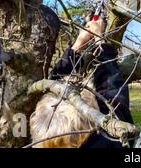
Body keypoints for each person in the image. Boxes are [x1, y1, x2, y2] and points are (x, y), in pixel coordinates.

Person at [30, 19, 134, 148]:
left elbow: (54, 84)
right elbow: (113, 90)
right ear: (89, 121)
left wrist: (78, 43)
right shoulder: (111, 138)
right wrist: (99, 40)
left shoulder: (44, 142)